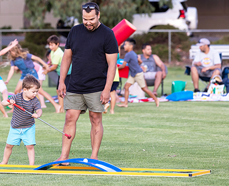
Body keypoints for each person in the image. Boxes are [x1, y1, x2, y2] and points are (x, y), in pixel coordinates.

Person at [56, 2, 118, 163]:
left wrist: (107, 89)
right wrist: (61, 81)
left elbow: (112, 65)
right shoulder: (75, 31)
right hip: (75, 84)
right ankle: (64, 157)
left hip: (97, 86)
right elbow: (66, 58)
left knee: (95, 119)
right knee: (69, 117)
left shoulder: (108, 34)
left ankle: (94, 157)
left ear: (98, 16)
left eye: (91, 19)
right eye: (85, 19)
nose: (88, 22)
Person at [5, 43, 62, 113]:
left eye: (12, 51)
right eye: (10, 51)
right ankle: (14, 109)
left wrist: (46, 65)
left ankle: (57, 106)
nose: (11, 53)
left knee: (40, 91)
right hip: (24, 75)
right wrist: (7, 80)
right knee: (16, 91)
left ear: (16, 50)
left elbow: (37, 58)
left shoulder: (25, 55)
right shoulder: (13, 60)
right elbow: (11, 70)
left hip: (32, 74)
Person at [0, 75, 42, 165]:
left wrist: (37, 114)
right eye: (33, 92)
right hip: (15, 127)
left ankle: (31, 165)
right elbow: (3, 102)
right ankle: (4, 162)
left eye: (37, 92)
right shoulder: (17, 97)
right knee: (9, 145)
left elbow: (39, 110)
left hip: (29, 127)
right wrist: (8, 102)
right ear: (25, 90)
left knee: (30, 146)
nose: (35, 94)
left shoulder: (34, 100)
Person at [118, 38, 159, 107]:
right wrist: (136, 66)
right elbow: (140, 61)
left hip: (137, 74)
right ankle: (125, 103)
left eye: (125, 45)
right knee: (126, 86)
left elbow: (123, 65)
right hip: (134, 74)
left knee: (144, 88)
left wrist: (115, 68)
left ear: (130, 46)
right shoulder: (133, 53)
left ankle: (156, 99)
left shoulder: (128, 54)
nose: (124, 46)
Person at [45, 35, 72, 113]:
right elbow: (51, 62)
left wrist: (46, 71)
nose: (50, 47)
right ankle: (61, 108)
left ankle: (63, 108)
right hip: (62, 73)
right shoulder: (53, 52)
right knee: (59, 90)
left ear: (57, 44)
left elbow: (54, 67)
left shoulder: (57, 53)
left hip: (67, 73)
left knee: (64, 90)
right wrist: (47, 65)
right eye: (49, 45)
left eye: (52, 45)